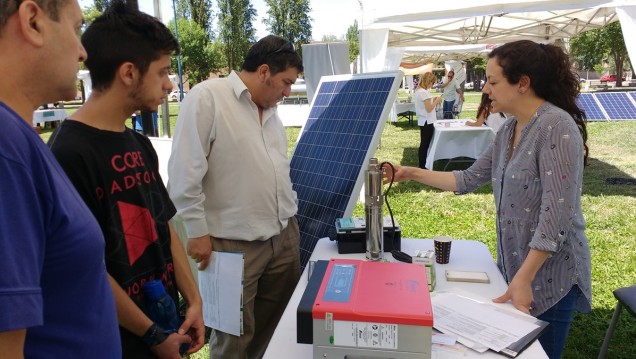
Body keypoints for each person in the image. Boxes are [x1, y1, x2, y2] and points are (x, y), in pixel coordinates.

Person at [382, 40, 591, 359]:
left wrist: (524, 278)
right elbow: (466, 179)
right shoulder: (509, 130)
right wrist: (410, 172)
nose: (487, 90)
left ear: (523, 83)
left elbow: (555, 216)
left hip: (549, 277)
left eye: (493, 82)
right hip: (516, 268)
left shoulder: (556, 127)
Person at [47, 2, 204, 358]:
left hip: (164, 325)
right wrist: (151, 335)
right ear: (129, 73)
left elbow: (162, 226)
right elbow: (86, 269)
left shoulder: (139, 143)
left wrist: (193, 300)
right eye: (163, 72)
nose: (169, 85)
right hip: (119, 342)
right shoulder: (68, 153)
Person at [168, 35, 303, 359]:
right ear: (264, 72)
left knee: (276, 330)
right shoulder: (207, 99)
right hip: (231, 246)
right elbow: (184, 174)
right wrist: (198, 231)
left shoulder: (270, 110)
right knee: (233, 339)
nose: (287, 92)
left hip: (282, 236)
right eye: (285, 83)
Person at [0, 1, 121, 358]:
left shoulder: (19, 139)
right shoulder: (6, 147)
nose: (83, 51)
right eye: (76, 28)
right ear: (33, 21)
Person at [414, 72, 442, 169]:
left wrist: (432, 100)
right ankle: (422, 165)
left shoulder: (419, 91)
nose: (432, 85)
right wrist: (436, 101)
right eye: (432, 83)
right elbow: (429, 108)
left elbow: (426, 105)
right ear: (428, 81)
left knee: (424, 144)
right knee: (425, 145)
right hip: (427, 121)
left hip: (423, 120)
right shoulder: (424, 92)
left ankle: (423, 164)